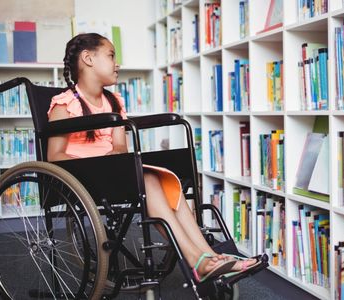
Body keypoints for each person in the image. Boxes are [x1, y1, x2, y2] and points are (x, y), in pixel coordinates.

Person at [47, 33, 259, 282]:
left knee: (166, 181)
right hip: (83, 176)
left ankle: (209, 255)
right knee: (147, 181)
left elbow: (118, 147)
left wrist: (112, 161)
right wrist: (95, 164)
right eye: (111, 55)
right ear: (88, 58)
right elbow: (54, 156)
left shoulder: (114, 102)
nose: (117, 63)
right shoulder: (65, 104)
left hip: (111, 171)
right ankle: (197, 261)